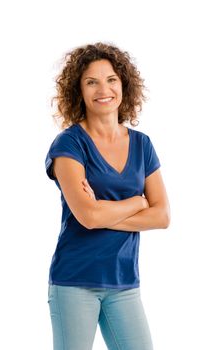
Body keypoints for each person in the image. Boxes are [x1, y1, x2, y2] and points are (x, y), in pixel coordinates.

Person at [45, 42, 170, 350]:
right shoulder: (69, 145)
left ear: (123, 84)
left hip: (124, 282)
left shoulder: (142, 145)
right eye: (91, 81)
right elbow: (87, 217)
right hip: (75, 281)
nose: (104, 89)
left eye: (111, 79)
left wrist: (101, 211)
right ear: (79, 90)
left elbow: (162, 216)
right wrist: (137, 202)